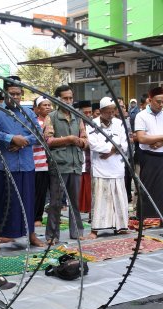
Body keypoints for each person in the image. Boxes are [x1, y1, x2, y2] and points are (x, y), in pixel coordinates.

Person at [0, 76, 45, 251]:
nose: (15, 97)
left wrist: (22, 141)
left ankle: (31, 235)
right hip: (3, 166)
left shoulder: (29, 112)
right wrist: (11, 139)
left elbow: (38, 134)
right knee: (3, 203)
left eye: (18, 94)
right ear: (4, 94)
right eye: (12, 94)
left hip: (26, 166)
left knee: (28, 202)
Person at [43, 85, 89, 243]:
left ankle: (77, 232)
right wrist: (68, 139)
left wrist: (81, 142)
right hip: (59, 164)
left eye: (71, 98)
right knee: (56, 202)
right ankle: (52, 236)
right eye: (65, 98)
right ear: (58, 99)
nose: (69, 101)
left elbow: (85, 139)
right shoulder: (52, 117)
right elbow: (48, 140)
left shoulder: (78, 116)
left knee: (74, 202)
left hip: (76, 163)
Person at [87, 97, 130, 237]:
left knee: (119, 198)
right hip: (101, 167)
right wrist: (111, 148)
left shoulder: (119, 123)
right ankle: (95, 229)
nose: (111, 115)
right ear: (101, 111)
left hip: (117, 166)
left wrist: (111, 151)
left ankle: (121, 226)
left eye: (113, 112)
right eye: (108, 112)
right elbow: (93, 144)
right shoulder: (92, 124)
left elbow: (125, 143)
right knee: (100, 199)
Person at [134, 86, 163, 220]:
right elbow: (141, 138)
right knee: (148, 188)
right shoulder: (141, 116)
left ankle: (160, 216)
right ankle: (146, 218)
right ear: (150, 100)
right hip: (148, 157)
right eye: (158, 101)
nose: (161, 104)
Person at [32, 96, 52, 226]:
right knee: (39, 192)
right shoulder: (34, 122)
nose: (48, 107)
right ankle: (36, 217)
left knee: (54, 192)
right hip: (39, 163)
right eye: (44, 105)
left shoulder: (54, 122)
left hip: (53, 163)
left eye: (49, 105)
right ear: (38, 109)